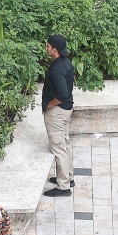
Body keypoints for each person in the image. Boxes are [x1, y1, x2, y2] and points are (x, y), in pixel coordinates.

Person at [43, 34, 75, 197]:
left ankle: (63, 187)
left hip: (58, 112)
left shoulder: (56, 69)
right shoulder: (66, 63)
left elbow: (62, 93)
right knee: (65, 143)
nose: (46, 48)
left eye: (48, 46)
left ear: (55, 50)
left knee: (58, 147)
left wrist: (50, 104)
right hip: (67, 110)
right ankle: (68, 177)